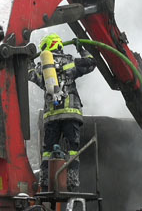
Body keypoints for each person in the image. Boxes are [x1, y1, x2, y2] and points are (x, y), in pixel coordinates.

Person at [28, 33, 96, 191]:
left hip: (51, 116)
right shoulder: (70, 62)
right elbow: (91, 63)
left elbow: (30, 73)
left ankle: (45, 181)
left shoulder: (43, 68)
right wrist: (81, 49)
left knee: (48, 150)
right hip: (70, 113)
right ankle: (72, 181)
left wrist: (30, 59)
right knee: (72, 148)